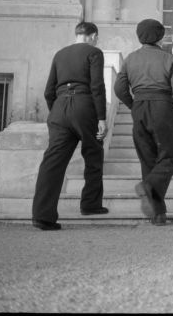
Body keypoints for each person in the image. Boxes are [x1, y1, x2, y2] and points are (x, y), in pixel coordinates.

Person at [114, 19, 173, 226]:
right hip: (163, 107)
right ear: (159, 37)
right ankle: (149, 186)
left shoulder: (131, 59)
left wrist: (134, 106)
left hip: (140, 107)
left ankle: (158, 215)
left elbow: (119, 89)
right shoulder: (168, 59)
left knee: (148, 160)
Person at [32, 22, 108, 231]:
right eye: (96, 38)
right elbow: (97, 86)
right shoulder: (94, 52)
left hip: (59, 108)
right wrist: (101, 117)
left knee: (52, 162)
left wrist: (57, 109)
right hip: (84, 106)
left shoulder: (60, 54)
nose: (96, 41)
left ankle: (42, 216)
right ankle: (90, 204)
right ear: (92, 36)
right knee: (93, 154)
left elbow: (49, 90)